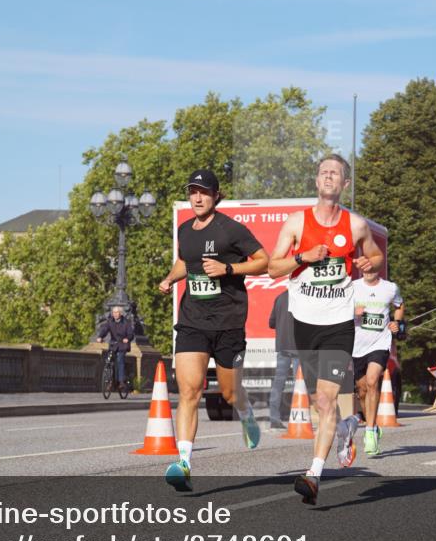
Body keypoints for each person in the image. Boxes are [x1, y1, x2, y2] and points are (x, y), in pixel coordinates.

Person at [268, 154, 383, 505]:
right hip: (305, 323)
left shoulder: (356, 225)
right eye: (323, 173)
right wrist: (303, 257)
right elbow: (273, 268)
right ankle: (347, 427)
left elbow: (377, 257)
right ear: (317, 181)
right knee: (319, 403)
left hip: (338, 325)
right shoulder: (296, 223)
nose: (329, 177)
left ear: (345, 184)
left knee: (325, 398)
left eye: (335, 173)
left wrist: (368, 263)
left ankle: (314, 474)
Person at [158, 169, 269, 491]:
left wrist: (228, 268)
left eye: (204, 192)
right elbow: (185, 262)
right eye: (193, 191)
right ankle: (184, 463)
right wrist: (170, 278)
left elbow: (263, 261)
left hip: (228, 322)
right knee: (189, 392)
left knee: (230, 393)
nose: (197, 197)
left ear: (216, 196)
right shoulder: (185, 230)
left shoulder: (230, 230)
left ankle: (245, 413)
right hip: (192, 320)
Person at [352, 267, 404, 455]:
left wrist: (396, 323)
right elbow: (337, 310)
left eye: (372, 267)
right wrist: (353, 312)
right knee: (362, 390)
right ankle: (373, 424)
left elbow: (399, 305)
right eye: (365, 268)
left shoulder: (390, 288)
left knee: (372, 381)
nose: (368, 271)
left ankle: (370, 432)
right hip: (357, 345)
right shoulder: (352, 286)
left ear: (378, 268)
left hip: (380, 343)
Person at [267, 289, 296, 430]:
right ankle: (298, 418)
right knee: (300, 385)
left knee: (278, 384)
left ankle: (274, 419)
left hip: (282, 346)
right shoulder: (303, 296)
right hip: (298, 347)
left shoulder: (279, 297)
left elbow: (271, 323)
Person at [96, 306, 135, 392]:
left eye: (117, 312)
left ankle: (121, 382)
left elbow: (131, 334)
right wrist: (100, 337)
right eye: (114, 312)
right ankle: (110, 381)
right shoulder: (110, 321)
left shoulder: (126, 322)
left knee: (120, 360)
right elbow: (104, 329)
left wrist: (127, 339)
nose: (115, 314)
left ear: (120, 313)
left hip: (122, 345)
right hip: (113, 345)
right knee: (109, 361)